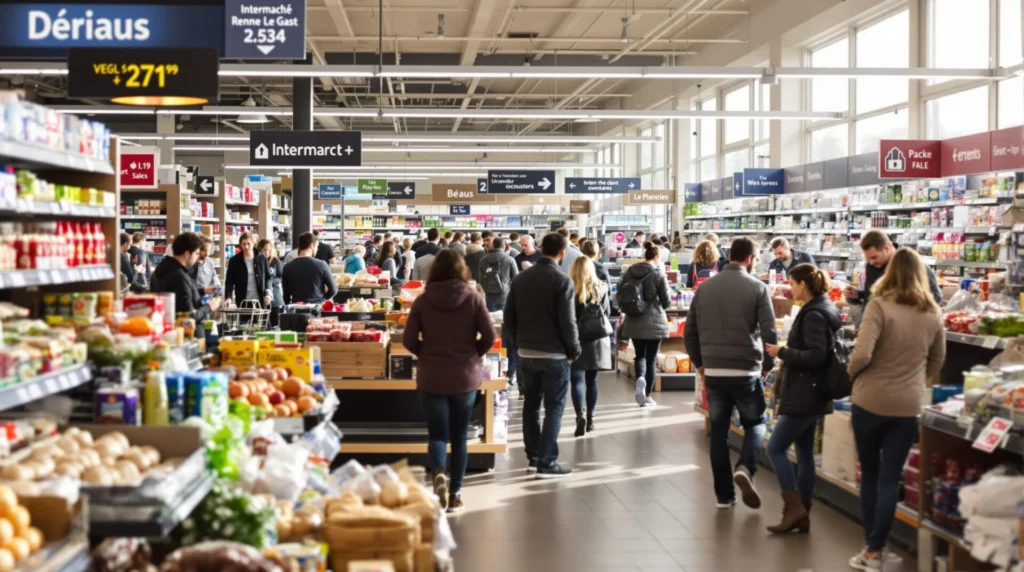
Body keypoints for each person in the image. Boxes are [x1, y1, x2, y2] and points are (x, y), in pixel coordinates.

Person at [846, 248, 945, 571]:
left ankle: (870, 550)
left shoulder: (878, 305)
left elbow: (862, 353)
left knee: (870, 474)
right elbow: (938, 359)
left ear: (889, 273)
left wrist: (853, 374)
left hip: (870, 400)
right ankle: (876, 551)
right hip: (908, 406)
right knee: (890, 479)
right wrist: (915, 379)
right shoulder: (932, 313)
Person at [683, 237, 778, 511]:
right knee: (755, 422)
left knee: (718, 432)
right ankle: (746, 467)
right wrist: (767, 365)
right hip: (746, 369)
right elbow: (770, 332)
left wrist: (700, 364)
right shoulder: (757, 288)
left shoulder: (705, 288)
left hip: (714, 371)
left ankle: (724, 496)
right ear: (749, 258)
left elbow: (690, 332)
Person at [402, 250, 495, 513]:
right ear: (461, 269)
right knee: (460, 436)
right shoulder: (473, 298)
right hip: (464, 376)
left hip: (432, 375)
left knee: (437, 434)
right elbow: (489, 336)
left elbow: (408, 340)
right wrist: (473, 354)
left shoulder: (422, 300)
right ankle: (455, 494)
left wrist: (426, 354)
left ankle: (439, 472)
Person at [762, 264, 841, 534]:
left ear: (803, 285)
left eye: (792, 283)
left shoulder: (813, 315)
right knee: (805, 454)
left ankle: (794, 507)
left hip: (805, 392)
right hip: (815, 392)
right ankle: (803, 514)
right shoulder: (823, 307)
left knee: (775, 448)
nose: (790, 287)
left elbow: (816, 356)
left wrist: (781, 351)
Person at [504, 232, 580, 478]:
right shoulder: (563, 281)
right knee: (554, 407)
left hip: (526, 354)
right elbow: (568, 322)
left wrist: (517, 344)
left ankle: (533, 457)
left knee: (531, 406)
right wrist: (573, 349)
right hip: (554, 355)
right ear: (562, 253)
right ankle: (547, 462)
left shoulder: (521, 279)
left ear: (541, 248)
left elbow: (508, 318)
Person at [618, 242, 671, 407]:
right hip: (655, 321)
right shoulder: (659, 273)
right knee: (651, 358)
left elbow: (621, 292)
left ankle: (640, 377)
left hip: (634, 319)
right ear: (657, 256)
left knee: (639, 355)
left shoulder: (630, 271)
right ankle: (647, 396)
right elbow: (667, 301)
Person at [844, 230, 942, 310]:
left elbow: (936, 297)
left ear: (887, 248)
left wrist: (911, 316)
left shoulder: (912, 263)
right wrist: (858, 295)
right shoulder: (872, 266)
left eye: (874, 257)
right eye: (867, 258)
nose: (871, 262)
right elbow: (871, 297)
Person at [150, 232, 221, 338]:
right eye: (196, 253)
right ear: (187, 253)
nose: (197, 257)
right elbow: (188, 316)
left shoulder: (161, 270)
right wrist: (209, 306)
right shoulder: (179, 276)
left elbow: (181, 293)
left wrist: (203, 290)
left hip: (166, 332)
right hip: (186, 336)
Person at [569, 256, 610, 437]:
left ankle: (580, 414)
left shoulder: (569, 287)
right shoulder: (602, 287)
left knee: (576, 380)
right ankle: (591, 418)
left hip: (576, 338)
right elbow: (607, 312)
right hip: (596, 338)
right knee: (592, 380)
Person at [282, 232, 339, 305]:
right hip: (317, 307)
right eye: (317, 246)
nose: (317, 249)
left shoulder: (287, 267)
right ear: (311, 246)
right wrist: (323, 299)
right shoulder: (322, 265)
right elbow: (333, 290)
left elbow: (286, 297)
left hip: (296, 308)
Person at [224, 232, 272, 308]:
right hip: (242, 302)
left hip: (260, 301)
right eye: (243, 244)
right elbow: (229, 281)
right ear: (240, 244)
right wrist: (228, 297)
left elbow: (268, 277)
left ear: (253, 244)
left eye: (248, 244)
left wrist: (268, 293)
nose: (246, 247)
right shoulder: (234, 261)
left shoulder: (262, 258)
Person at [477, 236, 519, 312]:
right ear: (504, 246)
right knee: (504, 318)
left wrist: (487, 289)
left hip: (489, 297)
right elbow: (516, 279)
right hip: (505, 296)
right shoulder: (510, 259)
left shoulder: (482, 260)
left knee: (491, 318)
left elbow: (480, 278)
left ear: (493, 245)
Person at [257, 239, 285, 328]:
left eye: (269, 250)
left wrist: (270, 281)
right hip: (261, 294)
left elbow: (280, 277)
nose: (267, 252)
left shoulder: (275, 261)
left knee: (276, 322)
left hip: (275, 294)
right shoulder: (258, 261)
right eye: (264, 250)